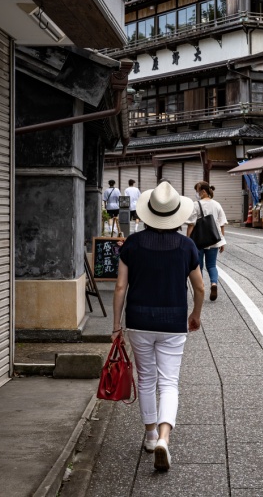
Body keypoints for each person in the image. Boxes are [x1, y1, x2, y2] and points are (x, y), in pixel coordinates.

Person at [110, 181, 205, 472]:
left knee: (147, 379)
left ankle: (151, 435)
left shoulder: (133, 244)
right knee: (169, 382)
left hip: (138, 321)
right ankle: (165, 438)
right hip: (174, 322)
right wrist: (195, 315)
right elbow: (200, 288)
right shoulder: (187, 245)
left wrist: (116, 326)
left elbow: (120, 287)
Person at [186, 181, 227, 302]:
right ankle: (214, 284)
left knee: (199, 266)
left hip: (198, 241)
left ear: (203, 191)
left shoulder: (195, 204)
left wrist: (188, 241)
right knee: (212, 265)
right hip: (213, 240)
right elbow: (222, 224)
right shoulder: (217, 204)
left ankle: (201, 288)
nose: (197, 194)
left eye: (197, 191)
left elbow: (191, 225)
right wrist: (222, 241)